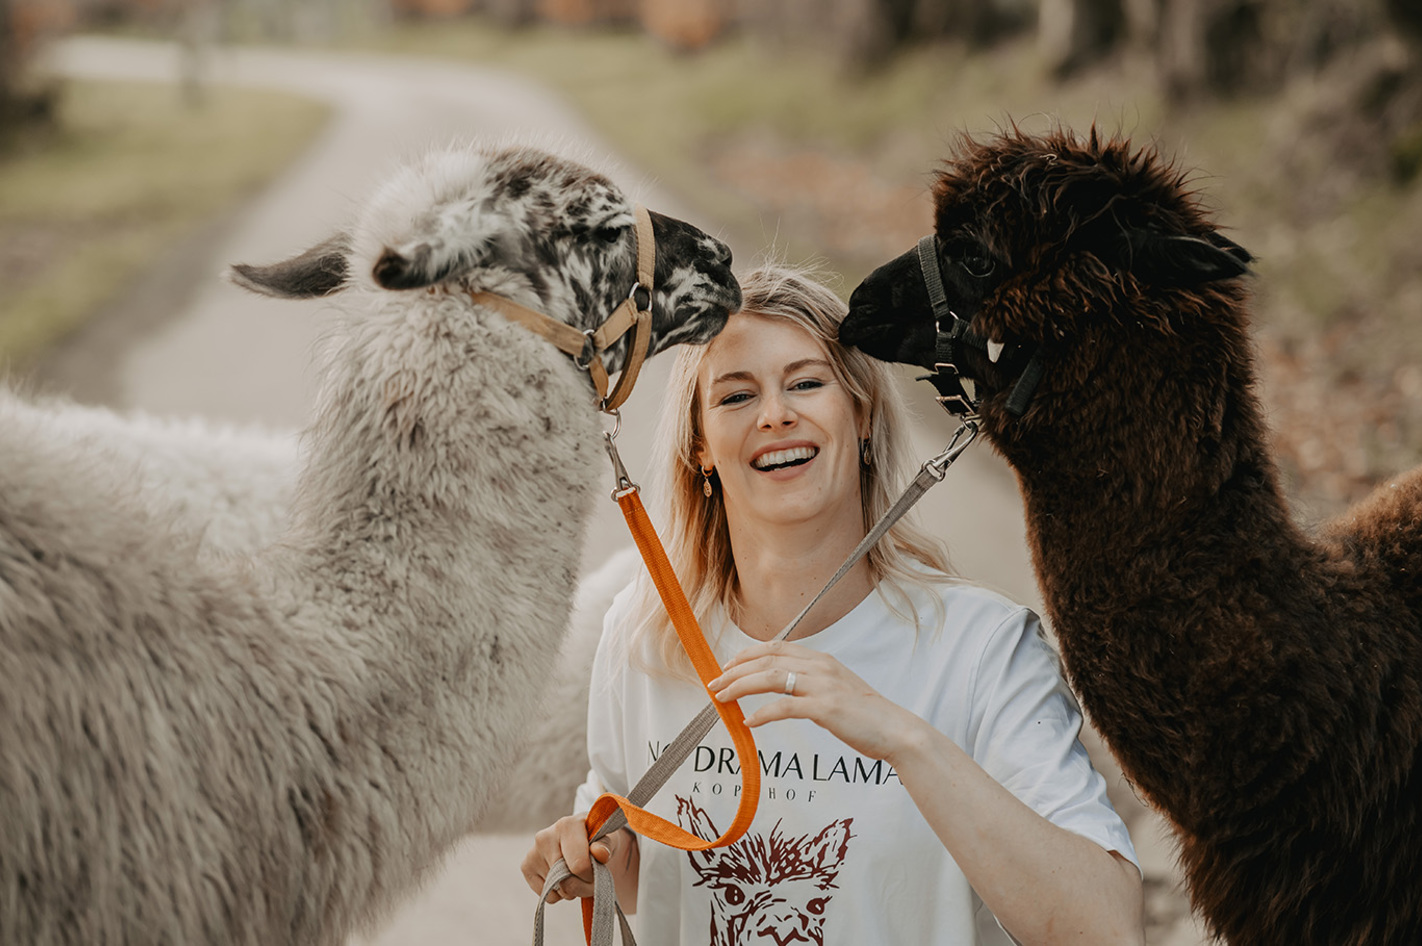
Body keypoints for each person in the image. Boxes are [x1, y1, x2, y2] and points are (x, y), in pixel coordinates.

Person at [522, 264, 1145, 945]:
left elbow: (1106, 928)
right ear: (700, 445)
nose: (775, 413)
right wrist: (586, 858)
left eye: (806, 382)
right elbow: (643, 873)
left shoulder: (984, 650)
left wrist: (903, 740)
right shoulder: (645, 635)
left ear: (863, 412)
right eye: (735, 396)